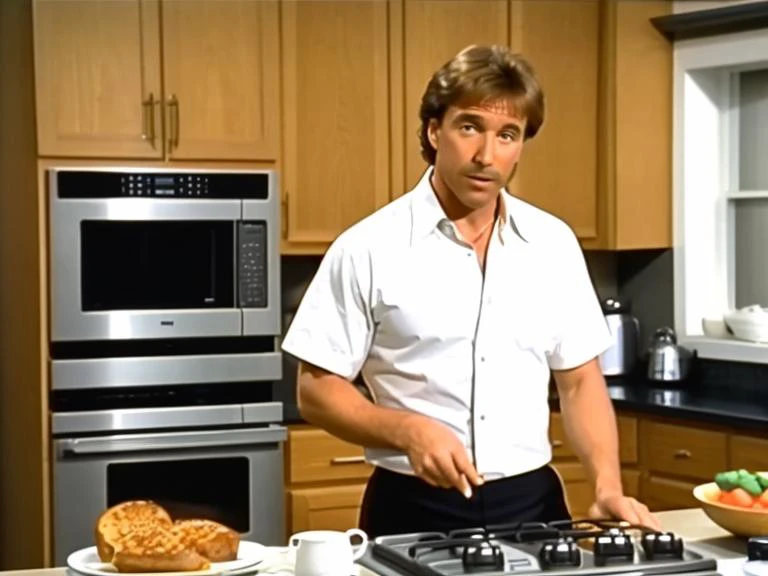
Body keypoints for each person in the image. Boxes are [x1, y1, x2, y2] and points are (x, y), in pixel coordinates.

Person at [280, 44, 659, 538]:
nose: (486, 156)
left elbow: (580, 381)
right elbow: (316, 390)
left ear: (521, 144)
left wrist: (608, 484)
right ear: (435, 131)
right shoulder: (367, 247)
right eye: (469, 128)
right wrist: (407, 430)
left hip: (534, 505)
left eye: (507, 135)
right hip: (413, 508)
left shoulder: (552, 244)